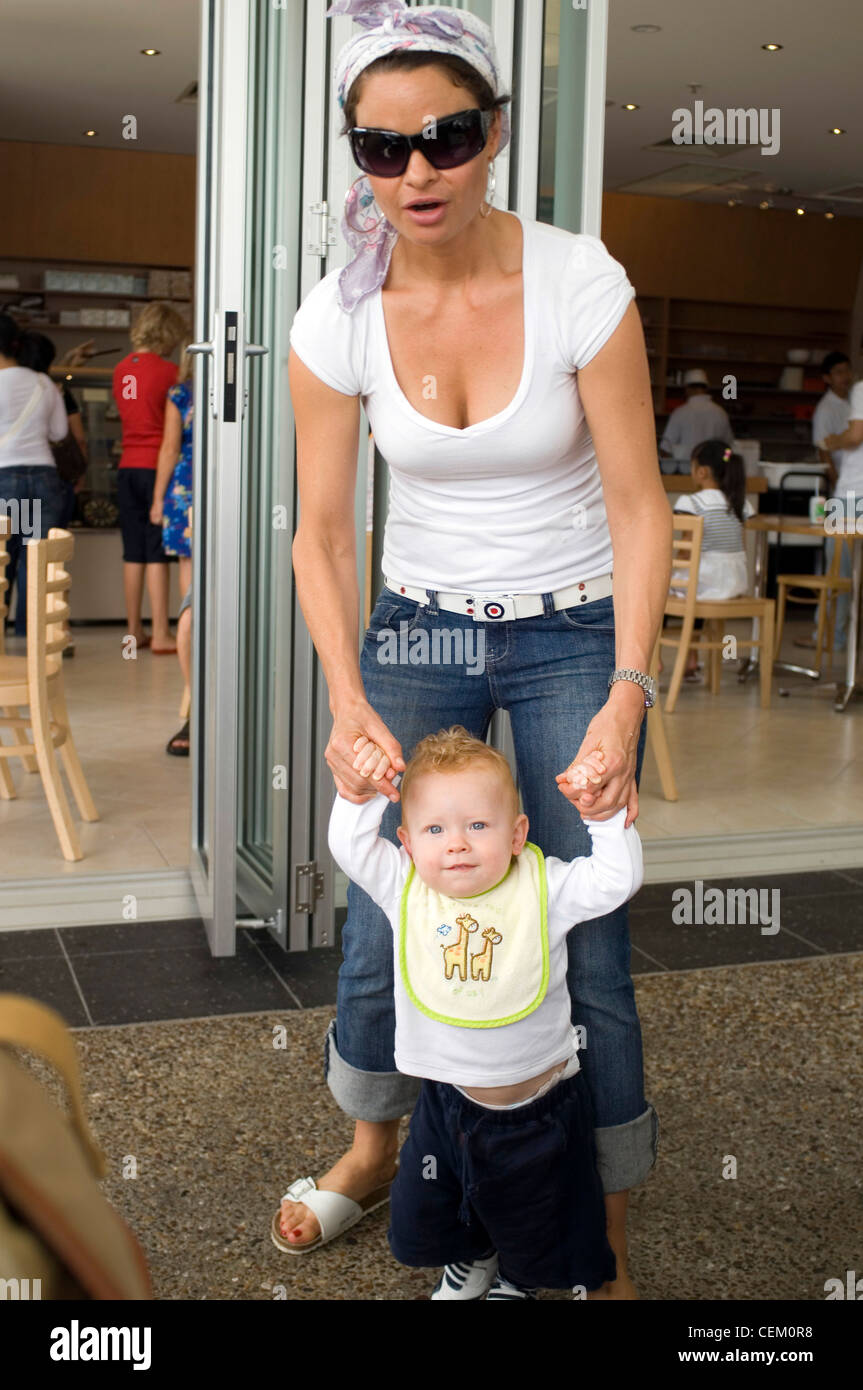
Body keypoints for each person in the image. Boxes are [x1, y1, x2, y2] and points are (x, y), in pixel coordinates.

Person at [278, 0, 670, 1300]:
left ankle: (597, 1238)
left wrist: (624, 693)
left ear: (492, 131)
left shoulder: (575, 281)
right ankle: (377, 1146)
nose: (416, 172)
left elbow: (635, 507)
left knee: (590, 938)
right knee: (385, 909)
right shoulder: (335, 314)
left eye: (444, 136)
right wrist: (345, 695)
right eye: (381, 149)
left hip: (567, 624)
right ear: (357, 153)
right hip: (415, 620)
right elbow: (322, 535)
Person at [318, 726, 642, 1299]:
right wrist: (358, 792)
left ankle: (516, 1276)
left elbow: (617, 879)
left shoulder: (544, 887)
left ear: (517, 834)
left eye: (478, 825)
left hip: (540, 1113)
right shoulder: (406, 886)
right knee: (442, 1201)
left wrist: (604, 819)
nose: (457, 844)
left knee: (535, 1217)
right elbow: (350, 847)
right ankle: (475, 1256)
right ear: (409, 843)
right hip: (445, 1104)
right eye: (436, 829)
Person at [112, 302, 187, 654]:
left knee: (133, 553)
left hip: (127, 465)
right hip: (158, 466)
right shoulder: (170, 371)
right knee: (157, 552)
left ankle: (132, 631)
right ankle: (160, 633)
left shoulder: (121, 369)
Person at [0, 314, 69, 636]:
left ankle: (2, 627)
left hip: (5, 476)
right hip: (42, 476)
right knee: (36, 553)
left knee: (4, 554)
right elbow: (59, 431)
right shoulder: (43, 383)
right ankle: (33, 630)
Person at [670, 439, 754, 680]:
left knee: (662, 587)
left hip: (704, 583)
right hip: (734, 584)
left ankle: (657, 662)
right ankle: (692, 657)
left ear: (702, 471)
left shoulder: (691, 502)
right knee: (696, 585)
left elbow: (685, 551)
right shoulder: (740, 503)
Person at [813, 353, 858, 654]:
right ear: (827, 378)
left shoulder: (857, 395)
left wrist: (838, 440)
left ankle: (838, 635)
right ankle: (829, 634)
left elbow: (850, 437)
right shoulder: (826, 408)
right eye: (838, 372)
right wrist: (833, 476)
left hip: (851, 491)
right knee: (838, 565)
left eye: (847, 370)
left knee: (842, 566)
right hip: (844, 489)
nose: (845, 376)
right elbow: (823, 450)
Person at [150, 338, 194, 601]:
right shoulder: (229, 390)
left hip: (185, 483)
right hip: (225, 479)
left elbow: (170, 448)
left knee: (187, 560)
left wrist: (157, 499)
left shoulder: (179, 394)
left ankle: (191, 631)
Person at [659, 369, 734, 476]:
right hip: (713, 475)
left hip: (685, 473)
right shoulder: (720, 413)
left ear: (687, 388)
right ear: (706, 388)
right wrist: (724, 464)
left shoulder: (680, 413)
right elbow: (729, 448)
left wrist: (669, 469)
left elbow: (665, 449)